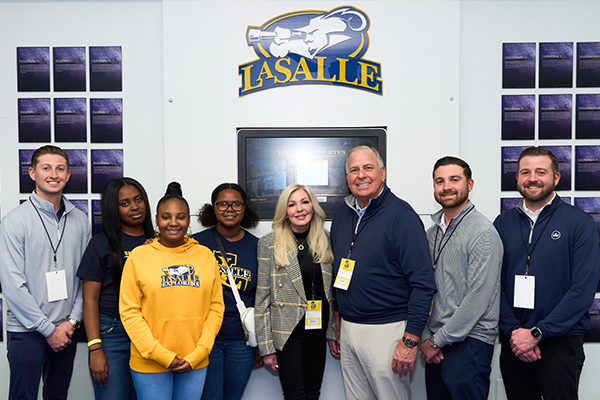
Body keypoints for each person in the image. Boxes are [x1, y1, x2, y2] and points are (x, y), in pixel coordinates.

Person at [329, 145, 436, 400]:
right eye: (354, 170)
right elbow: (337, 273)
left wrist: (410, 340)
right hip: (350, 328)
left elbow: (423, 284)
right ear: (347, 178)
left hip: (387, 331)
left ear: (383, 173)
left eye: (368, 168)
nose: (361, 175)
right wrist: (338, 323)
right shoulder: (342, 213)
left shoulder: (402, 216)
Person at [494, 147, 600, 400]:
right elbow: (493, 286)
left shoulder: (579, 223)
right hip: (514, 341)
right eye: (525, 172)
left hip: (560, 342)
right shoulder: (502, 223)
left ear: (556, 178)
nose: (532, 178)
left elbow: (582, 290)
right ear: (517, 178)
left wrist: (538, 333)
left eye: (541, 172)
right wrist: (515, 333)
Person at [0, 145, 91, 400]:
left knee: (57, 395)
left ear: (68, 175)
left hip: (65, 329)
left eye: (60, 168)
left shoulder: (80, 220)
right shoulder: (14, 221)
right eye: (46, 168)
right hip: (26, 330)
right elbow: (12, 285)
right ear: (32, 173)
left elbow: (85, 279)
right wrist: (47, 330)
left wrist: (71, 322)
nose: (54, 174)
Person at [119, 182, 225, 400]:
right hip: (150, 361)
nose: (174, 223)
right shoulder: (139, 256)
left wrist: (200, 352)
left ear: (188, 220)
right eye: (166, 217)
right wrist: (159, 355)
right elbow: (129, 312)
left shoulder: (205, 256)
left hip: (194, 361)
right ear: (156, 220)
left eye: (181, 217)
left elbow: (216, 308)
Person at [419, 156, 503, 400]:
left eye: (454, 179)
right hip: (436, 342)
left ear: (470, 184)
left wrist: (436, 342)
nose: (446, 186)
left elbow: (477, 298)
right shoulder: (432, 233)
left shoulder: (482, 233)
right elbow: (425, 288)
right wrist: (428, 338)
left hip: (470, 345)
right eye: (439, 181)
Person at [255, 184, 337, 400]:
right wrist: (266, 348)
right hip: (287, 331)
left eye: (305, 202)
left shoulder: (326, 240)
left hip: (317, 326)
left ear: (313, 206)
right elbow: (262, 298)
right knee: (295, 395)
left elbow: (331, 292)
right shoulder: (269, 244)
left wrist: (333, 331)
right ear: (285, 211)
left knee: (313, 392)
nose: (299, 209)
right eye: (292, 204)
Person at [77, 177, 155, 399]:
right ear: (114, 209)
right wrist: (95, 349)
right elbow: (90, 300)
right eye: (125, 203)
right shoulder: (100, 244)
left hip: (150, 332)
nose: (135, 207)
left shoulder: (160, 242)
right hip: (113, 332)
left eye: (138, 199)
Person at [192, 183, 260, 400]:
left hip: (241, 341)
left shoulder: (258, 247)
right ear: (213, 208)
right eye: (223, 204)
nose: (230, 209)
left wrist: (262, 343)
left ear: (244, 208)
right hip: (205, 339)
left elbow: (262, 296)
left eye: (236, 204)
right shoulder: (195, 244)